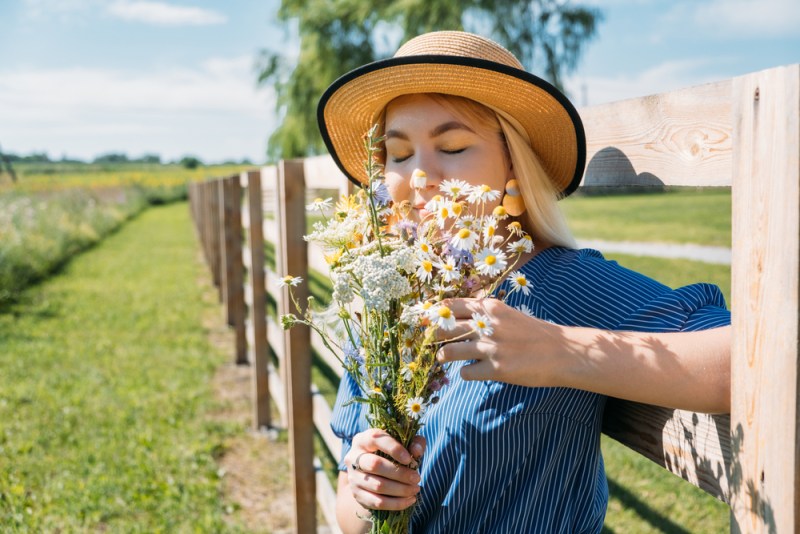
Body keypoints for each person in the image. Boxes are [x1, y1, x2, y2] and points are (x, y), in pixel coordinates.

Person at [317, 31, 731, 533]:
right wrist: (367, 493)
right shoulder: (384, 301)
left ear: (513, 161)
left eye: (451, 146)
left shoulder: (564, 284)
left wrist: (565, 350)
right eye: (399, 155)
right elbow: (347, 506)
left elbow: (746, 357)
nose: (419, 175)